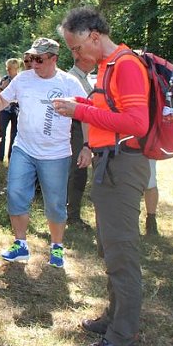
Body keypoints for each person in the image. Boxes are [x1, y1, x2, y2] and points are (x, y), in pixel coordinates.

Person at [54, 7, 151, 346]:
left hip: (123, 165)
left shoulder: (125, 65)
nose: (75, 55)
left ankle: (122, 337)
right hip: (109, 163)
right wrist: (80, 103)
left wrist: (80, 112)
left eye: (77, 48)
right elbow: (110, 110)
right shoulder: (108, 66)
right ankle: (114, 317)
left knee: (122, 253)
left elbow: (137, 123)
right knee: (110, 248)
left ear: (94, 35)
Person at [0, 38, 86, 268]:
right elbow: (3, 99)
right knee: (15, 193)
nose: (33, 64)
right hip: (24, 148)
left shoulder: (69, 83)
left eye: (39, 59)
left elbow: (87, 113)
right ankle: (20, 244)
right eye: (30, 58)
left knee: (55, 203)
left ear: (54, 59)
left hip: (56, 153)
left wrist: (88, 146)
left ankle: (56, 247)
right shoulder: (23, 79)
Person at [66, 54, 96, 228]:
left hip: (84, 128)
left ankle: (72, 213)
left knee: (79, 172)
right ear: (83, 60)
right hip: (76, 128)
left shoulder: (85, 78)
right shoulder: (73, 79)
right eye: (91, 59)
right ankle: (72, 215)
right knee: (77, 172)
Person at [0, 58, 21, 163]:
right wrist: (2, 87)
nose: (7, 70)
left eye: (10, 68)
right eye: (7, 68)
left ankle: (11, 157)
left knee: (14, 134)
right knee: (2, 133)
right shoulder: (5, 79)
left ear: (16, 69)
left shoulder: (20, 79)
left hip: (16, 111)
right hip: (4, 110)